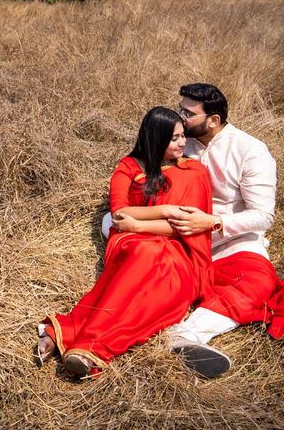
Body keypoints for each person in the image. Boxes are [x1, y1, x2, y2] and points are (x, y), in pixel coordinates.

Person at [101, 84, 284, 378]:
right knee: (112, 224)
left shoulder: (251, 151)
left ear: (213, 120)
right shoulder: (181, 139)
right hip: (171, 231)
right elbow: (139, 170)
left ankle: (187, 335)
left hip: (227, 238)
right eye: (180, 109)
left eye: (188, 113)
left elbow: (263, 216)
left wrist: (212, 222)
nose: (180, 117)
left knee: (259, 282)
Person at [36, 107, 214, 378]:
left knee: (158, 277)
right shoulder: (129, 167)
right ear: (154, 139)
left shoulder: (194, 171)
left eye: (182, 137)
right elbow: (120, 214)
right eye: (174, 138)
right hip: (131, 241)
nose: (182, 144)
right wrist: (167, 210)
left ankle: (82, 343)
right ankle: (85, 346)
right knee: (145, 252)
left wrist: (141, 222)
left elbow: (186, 225)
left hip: (178, 245)